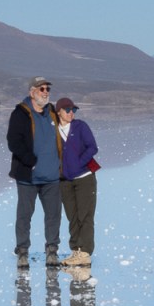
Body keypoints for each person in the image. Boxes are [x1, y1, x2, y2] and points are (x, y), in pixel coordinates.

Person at [6, 77, 61, 269]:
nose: (45, 92)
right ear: (32, 92)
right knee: (24, 216)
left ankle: (52, 251)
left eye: (47, 89)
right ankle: (22, 252)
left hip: (52, 177)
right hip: (28, 177)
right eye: (41, 89)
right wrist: (30, 161)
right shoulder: (20, 113)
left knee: (53, 216)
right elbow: (13, 141)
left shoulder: (52, 112)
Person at [54, 97, 98, 267]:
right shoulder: (53, 131)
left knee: (85, 216)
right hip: (64, 181)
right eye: (67, 110)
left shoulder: (80, 126)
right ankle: (75, 251)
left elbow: (92, 147)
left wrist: (78, 164)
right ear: (59, 112)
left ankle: (84, 253)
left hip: (84, 177)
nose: (71, 113)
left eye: (73, 110)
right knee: (72, 216)